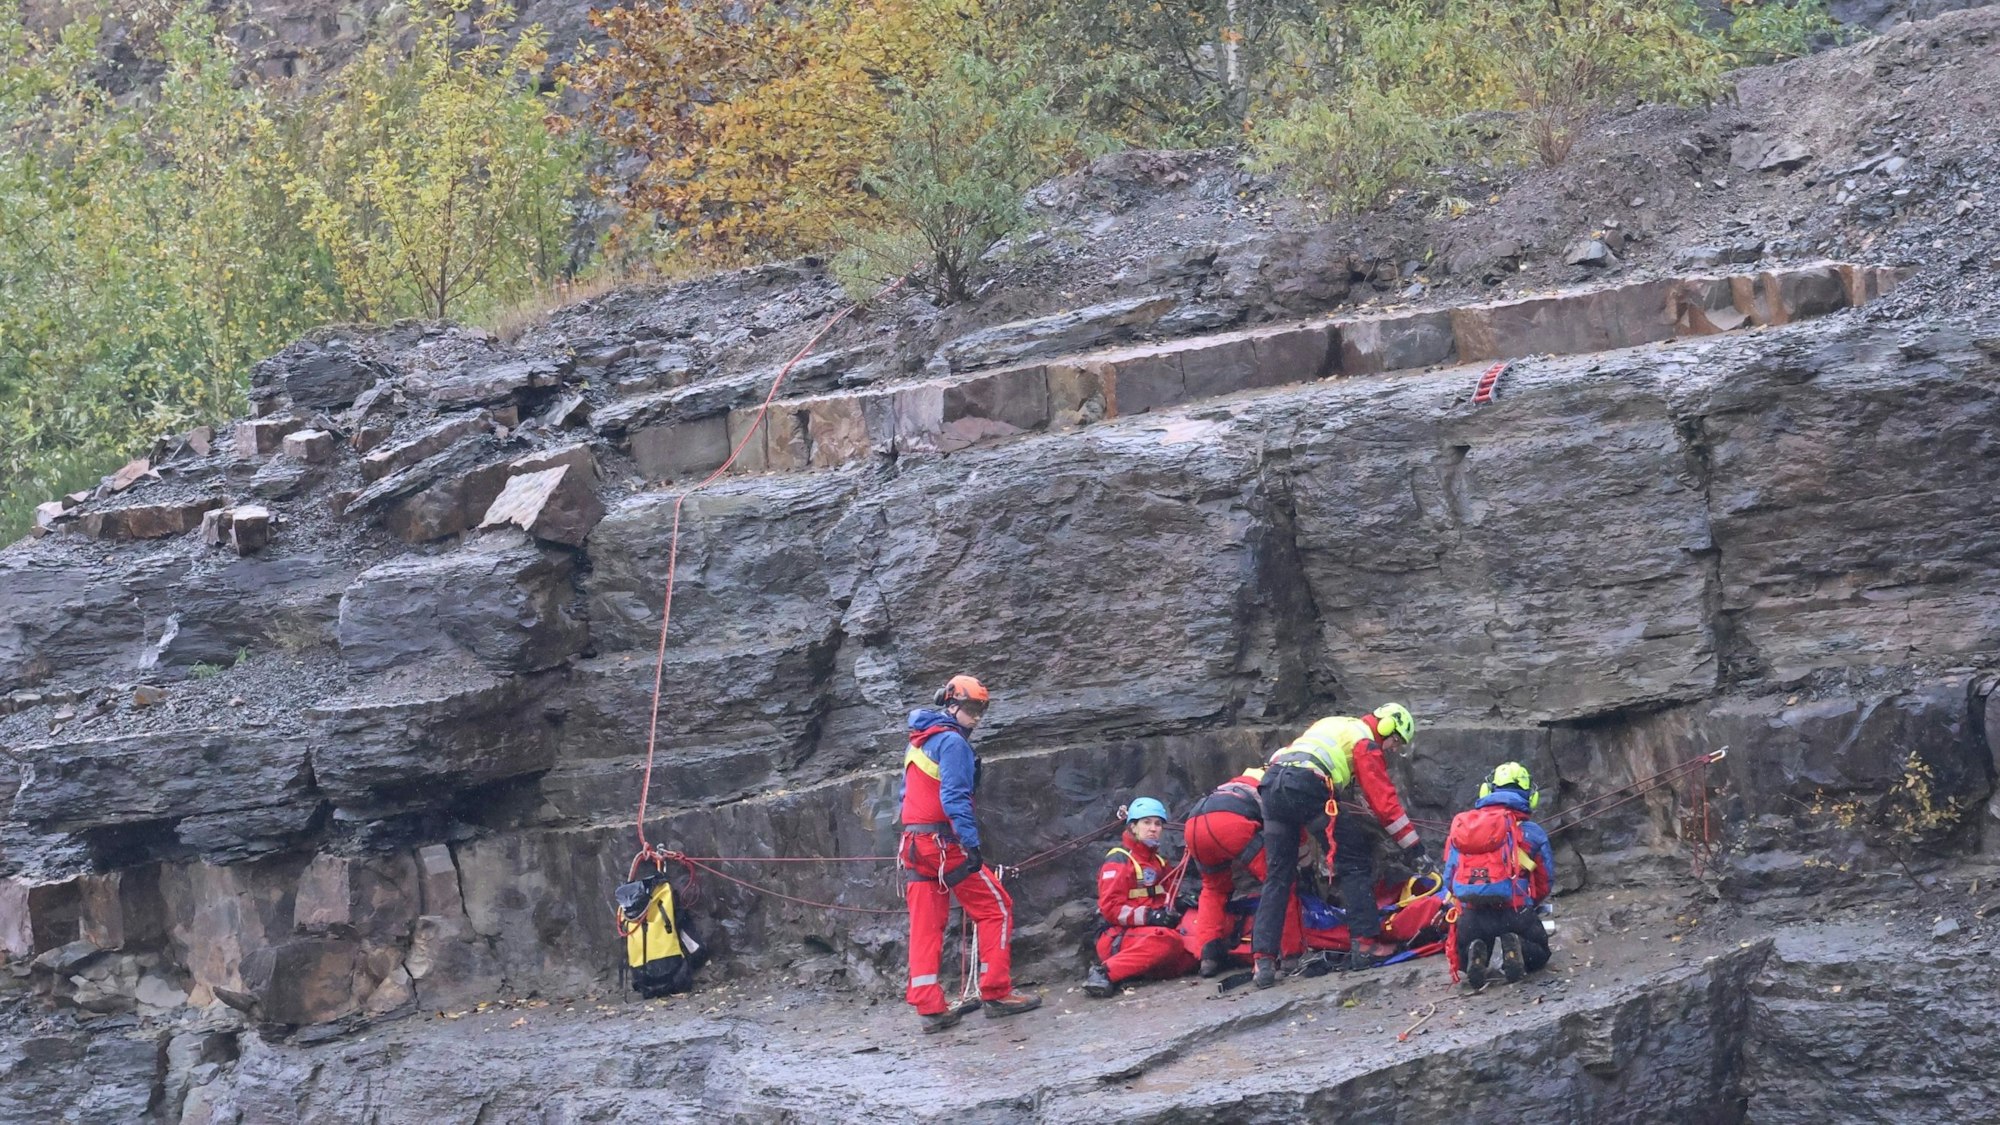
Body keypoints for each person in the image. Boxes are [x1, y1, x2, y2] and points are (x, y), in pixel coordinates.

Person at [899, 675, 1042, 1032]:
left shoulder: (918, 742)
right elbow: (954, 797)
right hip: (943, 846)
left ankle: (929, 1007)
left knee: (925, 925)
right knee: (996, 908)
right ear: (952, 705)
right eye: (972, 708)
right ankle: (996, 992)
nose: (977, 717)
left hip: (913, 845)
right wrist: (971, 844)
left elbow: (907, 797)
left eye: (981, 710)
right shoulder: (952, 743)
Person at [1251, 703, 1428, 986]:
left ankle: (1263, 961)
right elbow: (1384, 802)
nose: (1393, 749)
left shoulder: (1333, 724)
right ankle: (1366, 943)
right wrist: (1414, 847)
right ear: (1385, 727)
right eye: (1395, 741)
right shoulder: (1364, 741)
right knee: (1354, 859)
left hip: (1272, 785)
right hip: (1305, 785)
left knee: (1278, 876)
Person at [1182, 767, 1306, 976]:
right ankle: (1290, 955)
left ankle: (1208, 956)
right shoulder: (1273, 784)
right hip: (1229, 824)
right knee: (1279, 882)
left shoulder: (1232, 785)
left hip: (1194, 825)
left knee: (1213, 889)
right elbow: (1293, 832)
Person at [1443, 761, 1555, 987]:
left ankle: (1476, 955)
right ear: (1529, 796)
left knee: (1463, 953)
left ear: (1487, 790)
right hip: (1516, 912)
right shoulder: (1533, 832)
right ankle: (1517, 947)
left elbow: (1449, 879)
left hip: (1473, 917)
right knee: (1540, 953)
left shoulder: (1465, 831)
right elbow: (1545, 880)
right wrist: (1530, 904)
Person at [1084, 798, 1200, 997]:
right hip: (1118, 936)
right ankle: (1103, 973)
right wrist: (1151, 916)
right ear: (1133, 826)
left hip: (1148, 934)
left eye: (1157, 824)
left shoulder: (1158, 862)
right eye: (1146, 822)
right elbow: (1111, 909)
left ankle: (1136, 971)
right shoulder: (1119, 860)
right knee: (1168, 940)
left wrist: (1180, 903)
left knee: (1194, 951)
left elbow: (1167, 896)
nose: (1153, 828)